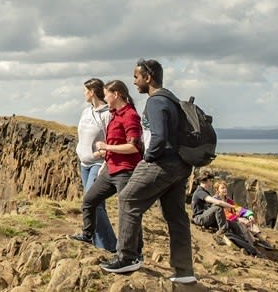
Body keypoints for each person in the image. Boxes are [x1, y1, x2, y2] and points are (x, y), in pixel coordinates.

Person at [100, 59, 196, 285]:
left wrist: (149, 158)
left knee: (127, 199)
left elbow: (159, 137)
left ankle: (127, 257)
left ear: (148, 77)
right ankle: (184, 271)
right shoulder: (171, 99)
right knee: (176, 216)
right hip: (180, 165)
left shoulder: (155, 102)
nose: (134, 82)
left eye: (136, 77)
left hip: (162, 163)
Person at [70, 80, 142, 254]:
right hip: (110, 167)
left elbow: (134, 146)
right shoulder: (115, 113)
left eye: (107, 93)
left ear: (115, 94)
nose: (105, 96)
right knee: (89, 200)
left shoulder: (130, 115)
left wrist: (106, 149)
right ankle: (88, 235)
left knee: (128, 212)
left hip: (124, 169)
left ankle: (134, 252)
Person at [73, 78, 117, 251]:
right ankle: (98, 243)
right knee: (96, 204)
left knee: (92, 201)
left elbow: (111, 140)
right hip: (84, 163)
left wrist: (102, 158)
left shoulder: (108, 114)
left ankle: (110, 246)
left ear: (92, 92)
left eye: (85, 90)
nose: (84, 93)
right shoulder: (86, 111)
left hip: (97, 164)